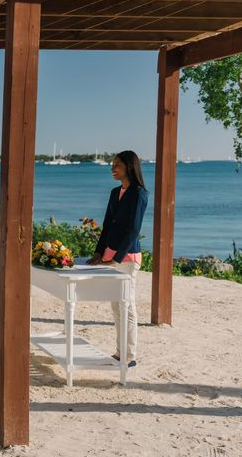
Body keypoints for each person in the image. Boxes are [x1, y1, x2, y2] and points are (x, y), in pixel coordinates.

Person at [87, 150, 148, 368]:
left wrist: (116, 259)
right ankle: (120, 352)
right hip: (110, 256)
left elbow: (133, 230)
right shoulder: (115, 193)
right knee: (116, 306)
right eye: (112, 165)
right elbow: (107, 225)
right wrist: (98, 252)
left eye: (117, 165)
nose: (113, 169)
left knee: (127, 306)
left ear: (129, 167)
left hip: (128, 257)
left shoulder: (139, 194)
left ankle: (129, 355)